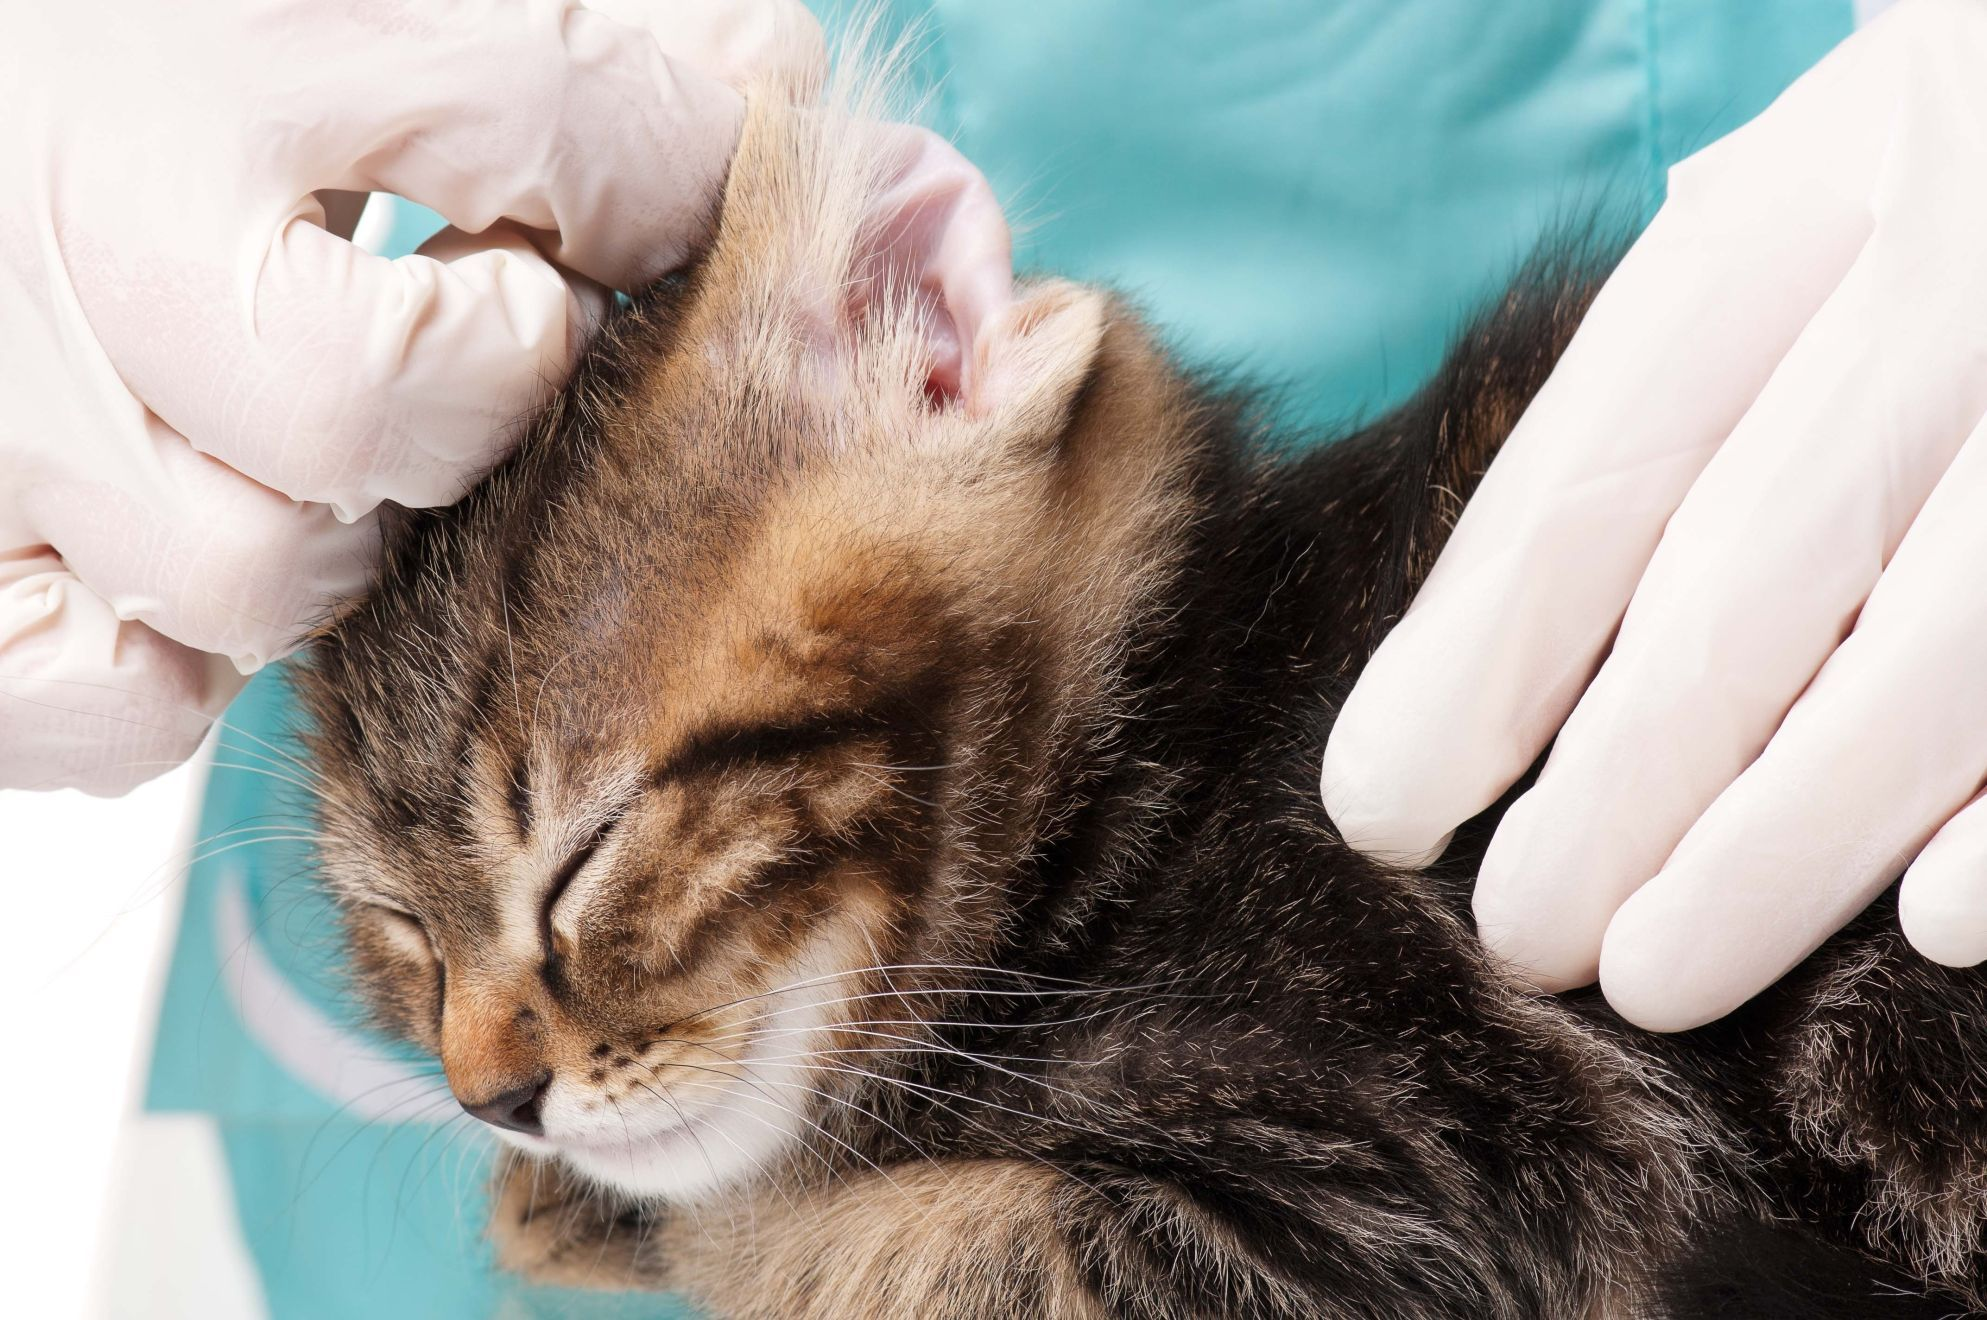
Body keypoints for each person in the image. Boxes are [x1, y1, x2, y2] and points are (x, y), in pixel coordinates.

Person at [0, 0, 1909, 1312]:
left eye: (582, 867)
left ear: (935, 338)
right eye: (415, 953)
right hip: (368, 385)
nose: (482, 1064)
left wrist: (758, 1241)